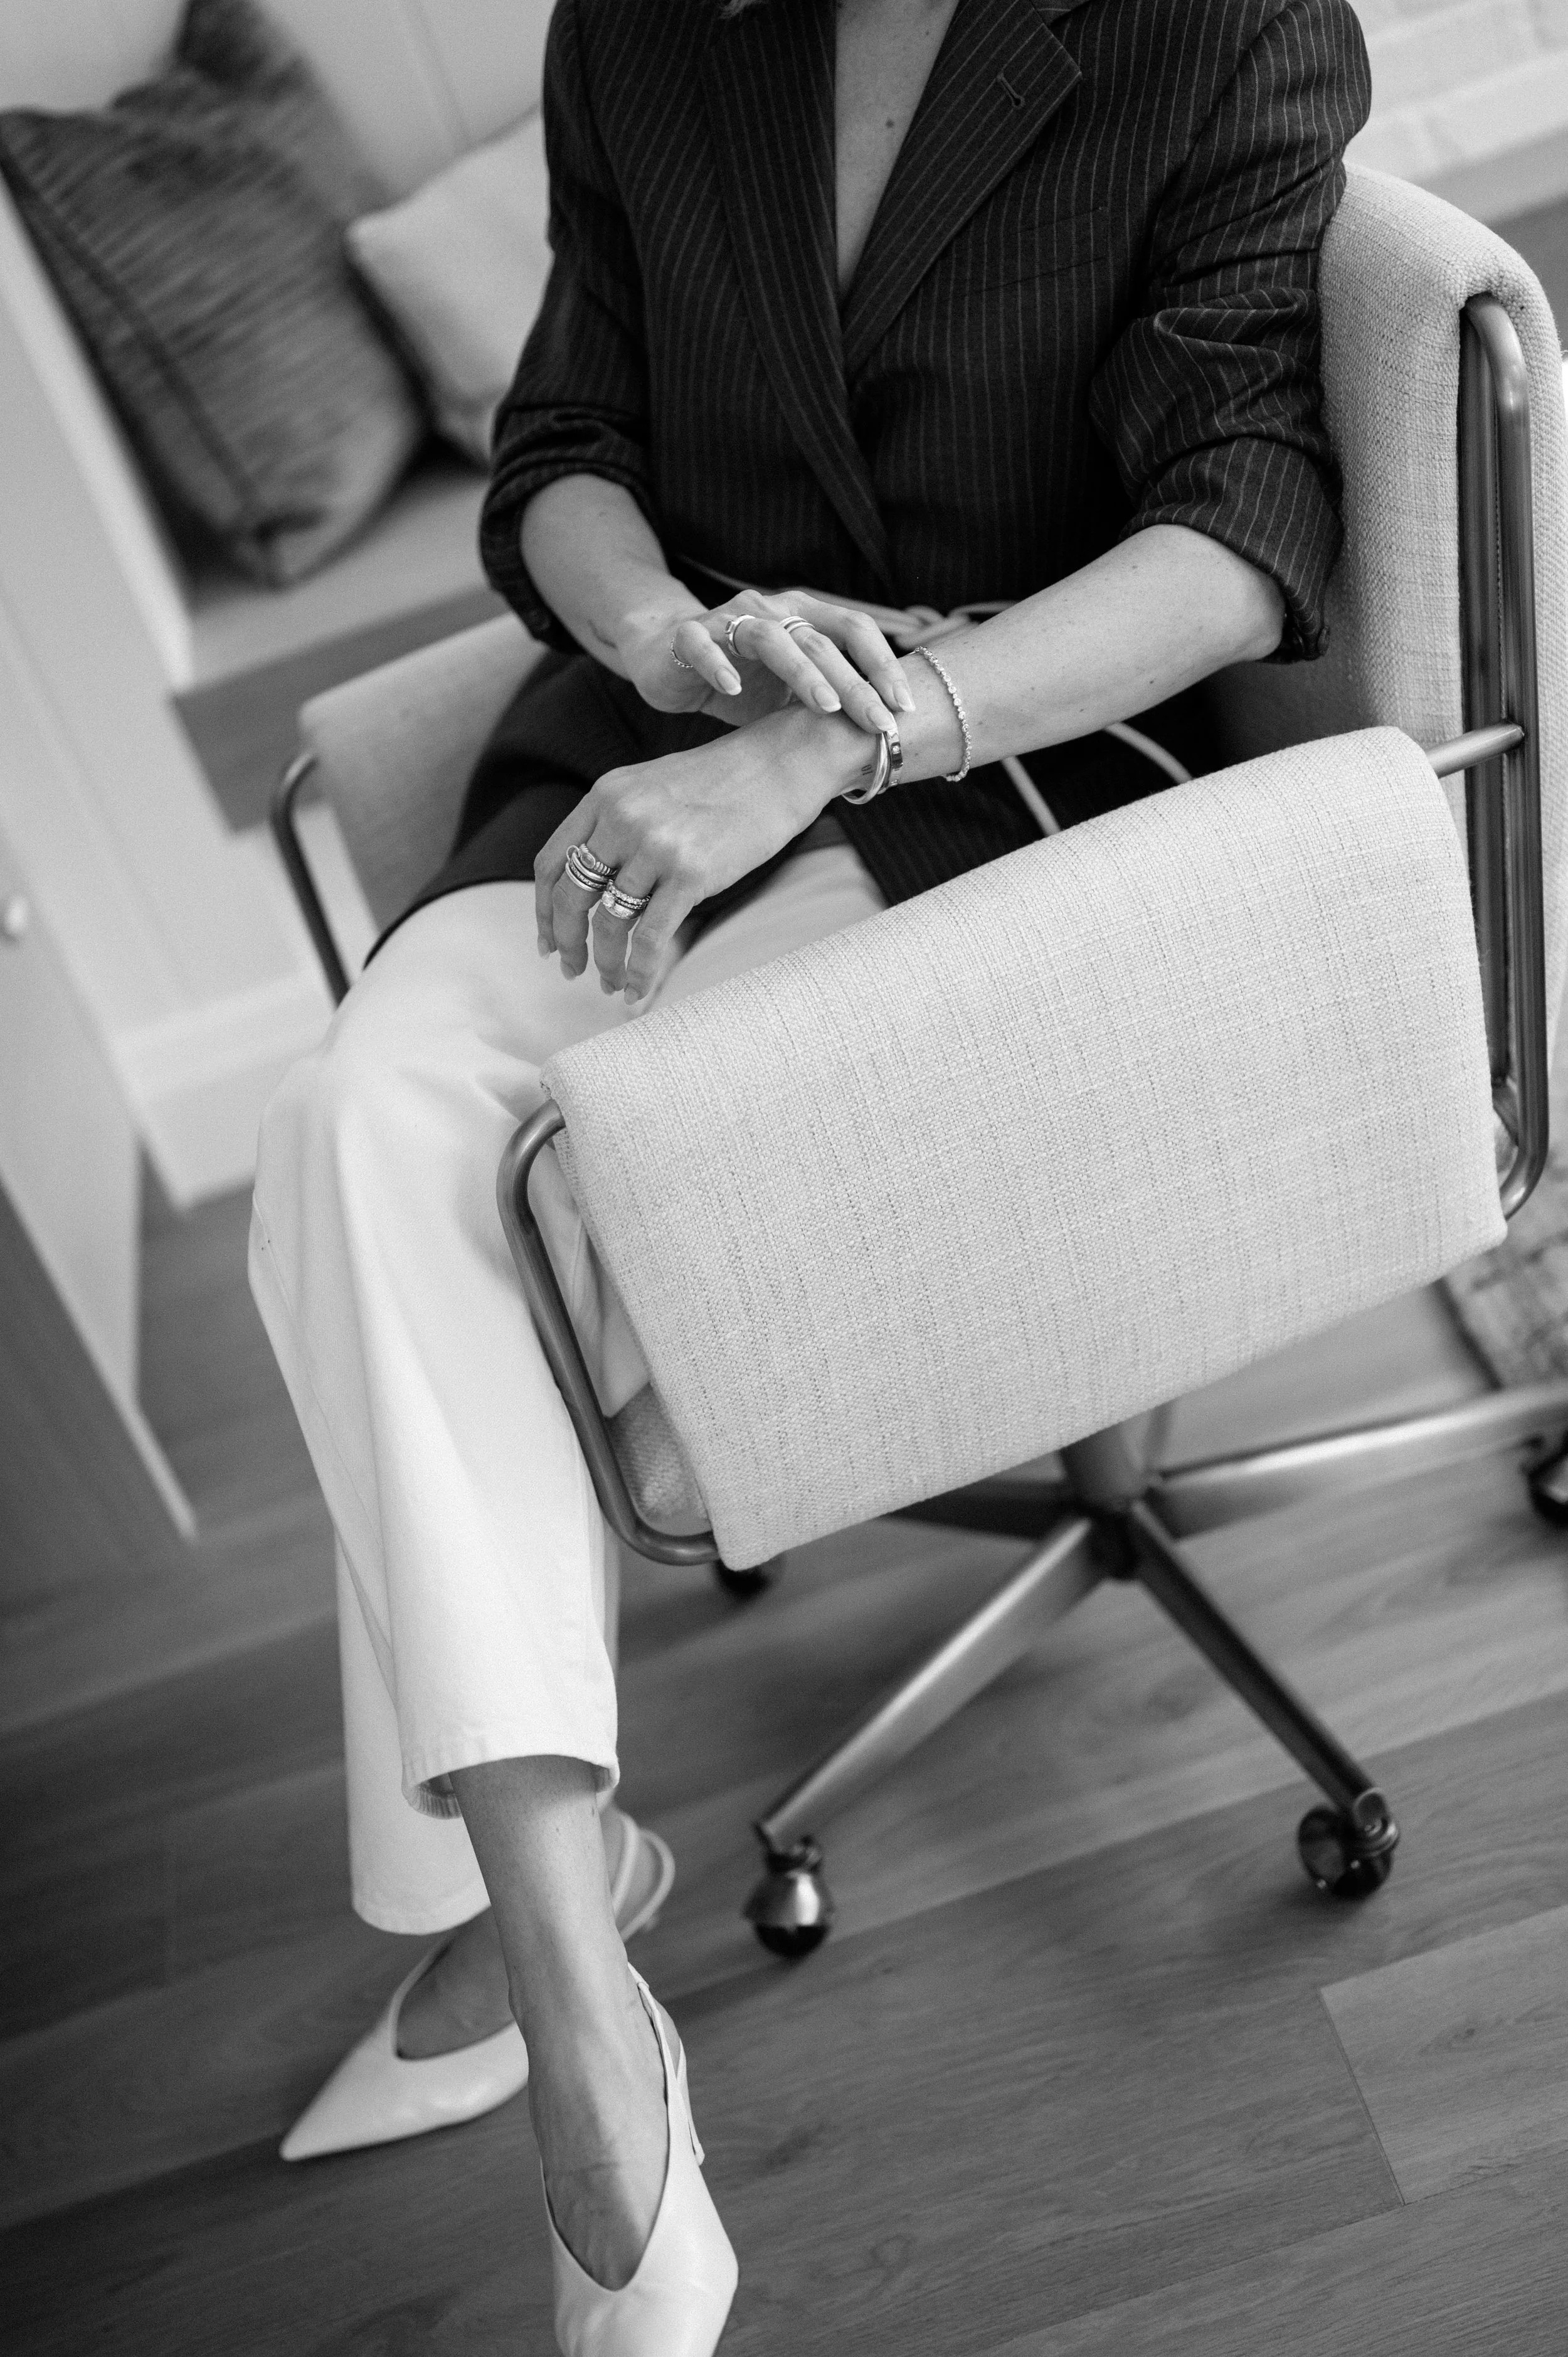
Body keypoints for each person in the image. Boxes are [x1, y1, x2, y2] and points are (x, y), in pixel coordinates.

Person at [250, 0, 1371, 2348]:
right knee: (360, 1123)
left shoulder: (1221, 26)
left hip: (1011, 788)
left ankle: (517, 1928)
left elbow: (1242, 529)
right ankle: (585, 2013)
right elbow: (563, 440)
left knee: (524, 1189)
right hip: (659, 750)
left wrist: (829, 749)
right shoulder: (651, 25)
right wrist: (668, 638)